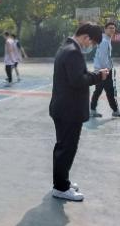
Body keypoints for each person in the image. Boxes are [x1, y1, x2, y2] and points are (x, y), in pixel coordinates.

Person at [49, 23, 108, 201]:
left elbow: (76, 75)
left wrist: (92, 74)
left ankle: (61, 181)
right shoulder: (73, 52)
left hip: (63, 108)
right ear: (86, 37)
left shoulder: (66, 48)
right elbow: (77, 80)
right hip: (69, 110)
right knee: (67, 149)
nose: (91, 46)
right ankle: (61, 188)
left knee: (62, 147)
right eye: (93, 43)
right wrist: (98, 76)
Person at [90, 20, 119, 118]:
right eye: (110, 28)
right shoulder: (104, 41)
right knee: (107, 91)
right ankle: (115, 110)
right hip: (103, 71)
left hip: (103, 70)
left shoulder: (105, 39)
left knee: (101, 90)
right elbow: (102, 58)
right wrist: (105, 71)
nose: (112, 30)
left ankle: (94, 109)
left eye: (113, 28)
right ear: (105, 29)